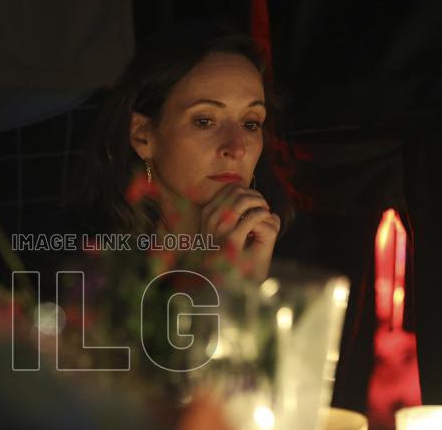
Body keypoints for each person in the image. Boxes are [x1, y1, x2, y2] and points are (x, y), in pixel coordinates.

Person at [78, 24, 286, 282]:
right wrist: (222, 280)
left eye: (250, 123)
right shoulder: (91, 264)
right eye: (205, 121)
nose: (237, 148)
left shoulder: (287, 248)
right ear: (142, 135)